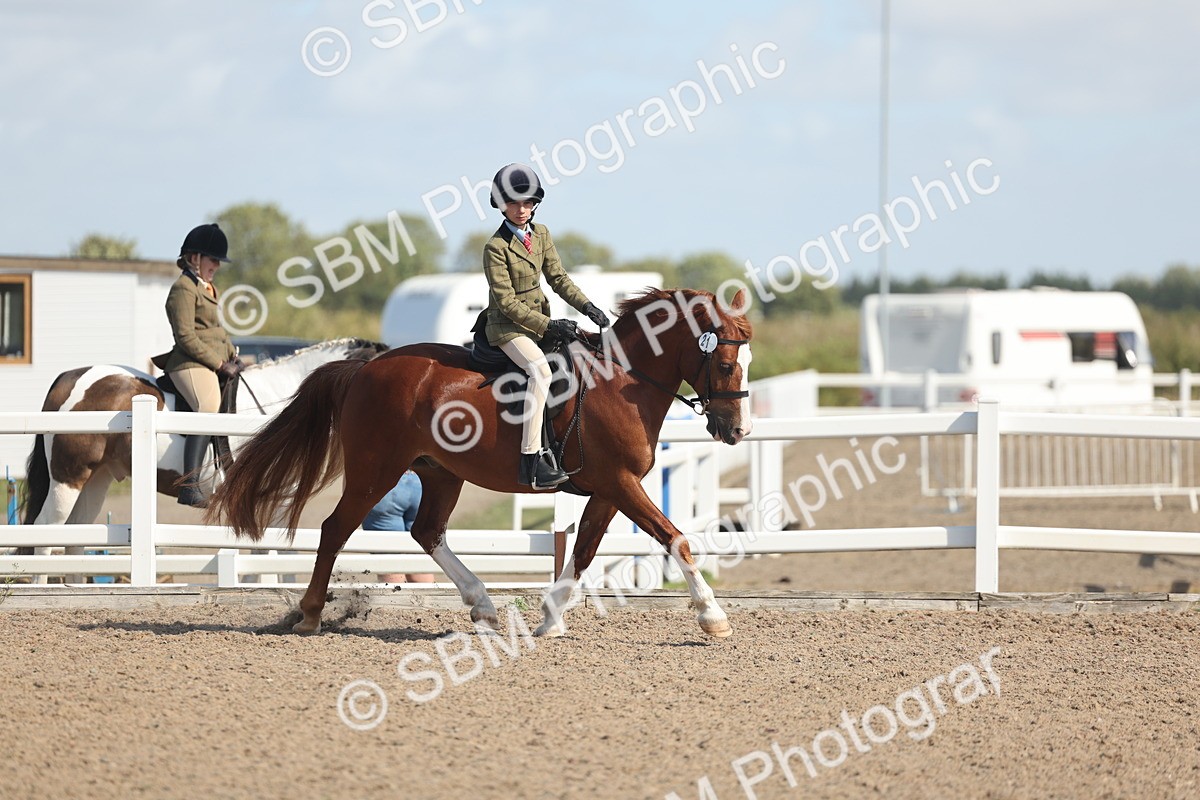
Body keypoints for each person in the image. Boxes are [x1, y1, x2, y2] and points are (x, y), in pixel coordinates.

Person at [482, 163, 612, 489]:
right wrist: (550, 325)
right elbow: (507, 303)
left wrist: (587, 306)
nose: (521, 210)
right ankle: (531, 461)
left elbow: (558, 278)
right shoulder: (495, 248)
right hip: (507, 328)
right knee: (541, 371)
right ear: (500, 204)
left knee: (579, 360)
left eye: (527, 203)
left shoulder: (541, 234)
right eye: (513, 203)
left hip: (538, 323)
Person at [153, 223, 242, 507]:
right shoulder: (183, 288)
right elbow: (186, 336)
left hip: (208, 360)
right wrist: (218, 363)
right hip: (187, 362)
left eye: (218, 261)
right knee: (208, 405)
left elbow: (215, 330)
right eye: (213, 259)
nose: (217, 265)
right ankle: (191, 485)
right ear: (194, 258)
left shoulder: (207, 287)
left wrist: (232, 354)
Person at [362, 470, 433, 583]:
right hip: (419, 481)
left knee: (390, 563)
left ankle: (395, 600)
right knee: (418, 560)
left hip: (384, 481)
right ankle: (428, 600)